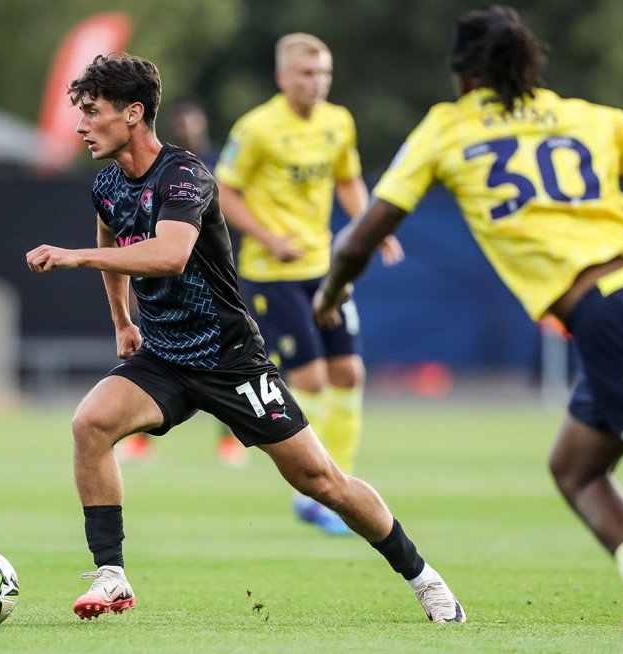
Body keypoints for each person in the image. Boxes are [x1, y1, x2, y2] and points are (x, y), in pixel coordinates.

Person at [313, 6, 623, 653]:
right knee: (576, 468)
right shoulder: (582, 114)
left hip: (614, 320)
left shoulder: (449, 128)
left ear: (460, 75)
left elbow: (363, 235)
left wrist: (330, 294)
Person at [26, 52, 466, 624]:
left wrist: (73, 257)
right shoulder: (107, 185)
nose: (81, 125)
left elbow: (169, 253)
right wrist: (122, 321)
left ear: (133, 114)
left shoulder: (185, 176)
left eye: (92, 111)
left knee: (323, 482)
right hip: (164, 356)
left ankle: (424, 578)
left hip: (230, 361)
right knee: (90, 424)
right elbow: (114, 241)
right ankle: (111, 575)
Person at [215, 33, 403, 535]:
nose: (316, 82)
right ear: (283, 78)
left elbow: (346, 179)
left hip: (325, 268)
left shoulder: (338, 122)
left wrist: (370, 228)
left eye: (323, 73)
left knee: (349, 373)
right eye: (306, 73)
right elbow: (224, 191)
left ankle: (337, 485)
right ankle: (313, 489)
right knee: (312, 379)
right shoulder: (256, 128)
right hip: (272, 273)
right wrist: (266, 236)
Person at [118, 95, 248, 467]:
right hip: (167, 282)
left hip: (212, 278)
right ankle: (142, 441)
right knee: (155, 357)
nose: (187, 128)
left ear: (203, 123)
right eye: (182, 122)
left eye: (193, 121)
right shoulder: (161, 168)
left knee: (227, 361)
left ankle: (229, 440)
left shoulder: (218, 166)